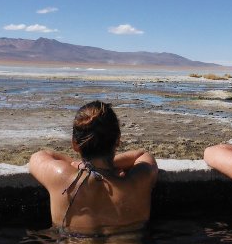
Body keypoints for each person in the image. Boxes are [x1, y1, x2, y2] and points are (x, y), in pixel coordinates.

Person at [29, 100, 159, 235]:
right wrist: (106, 165)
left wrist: (79, 164)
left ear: (75, 144)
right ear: (118, 140)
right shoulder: (140, 180)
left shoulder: (60, 177)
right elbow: (142, 154)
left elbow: (38, 157)